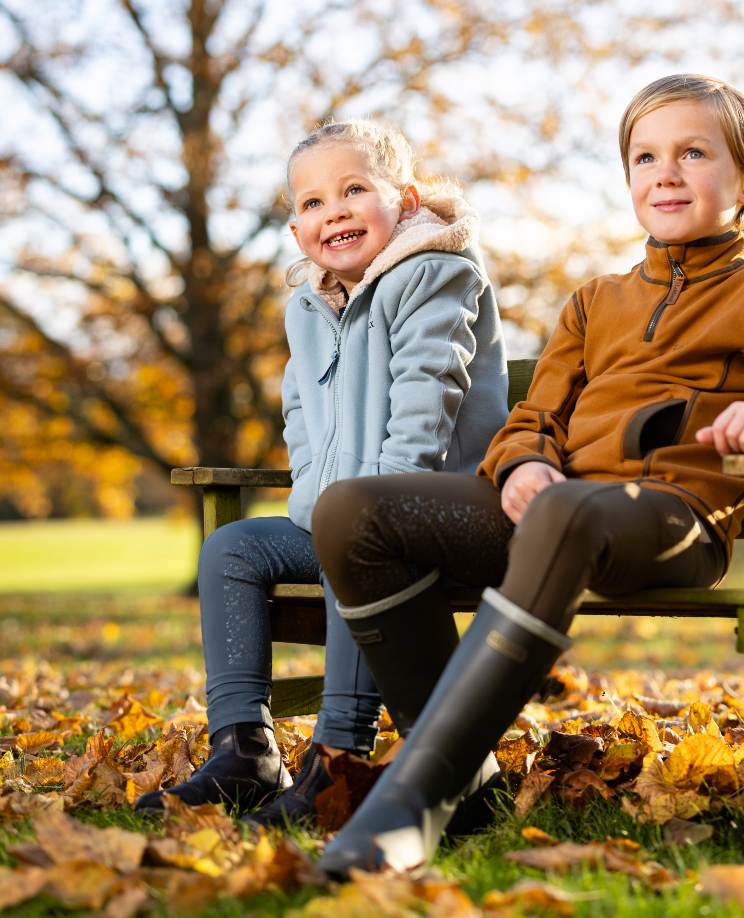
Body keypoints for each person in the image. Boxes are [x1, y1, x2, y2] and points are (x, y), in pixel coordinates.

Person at [309, 74, 744, 876]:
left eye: (694, 153)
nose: (667, 172)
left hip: (674, 519)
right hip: (554, 513)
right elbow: (531, 418)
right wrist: (523, 463)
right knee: (351, 512)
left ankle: (410, 800)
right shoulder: (594, 303)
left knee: (568, 513)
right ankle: (467, 779)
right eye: (646, 157)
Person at [134, 119, 508, 827]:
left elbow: (430, 394)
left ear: (405, 200)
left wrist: (364, 513)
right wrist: (317, 503)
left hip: (442, 516)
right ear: (295, 224)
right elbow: (299, 414)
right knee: (231, 547)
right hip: (352, 521)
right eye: (310, 203)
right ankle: (244, 750)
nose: (331, 211)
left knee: (351, 541)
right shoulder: (307, 303)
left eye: (354, 189)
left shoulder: (436, 275)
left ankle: (340, 758)